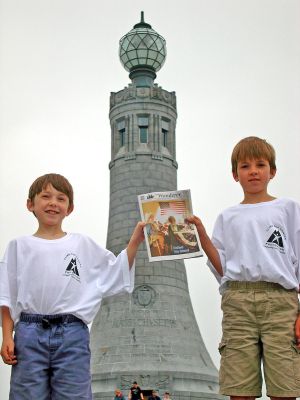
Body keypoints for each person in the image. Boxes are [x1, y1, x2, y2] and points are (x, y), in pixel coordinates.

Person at [0, 173, 145, 400]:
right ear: (30, 204)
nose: (53, 203)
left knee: (73, 395)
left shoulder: (82, 244)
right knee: (27, 394)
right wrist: (7, 337)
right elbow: (7, 297)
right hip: (29, 332)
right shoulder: (19, 246)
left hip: (72, 333)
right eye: (45, 196)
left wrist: (135, 240)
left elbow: (115, 270)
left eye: (61, 198)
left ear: (70, 208)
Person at [187, 137, 300, 400]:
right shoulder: (228, 216)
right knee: (239, 389)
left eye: (260, 165)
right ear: (235, 174)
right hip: (238, 301)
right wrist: (202, 235)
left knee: (285, 388)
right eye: (245, 166)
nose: (253, 171)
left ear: (272, 171)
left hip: (280, 301)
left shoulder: (288, 208)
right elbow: (221, 267)